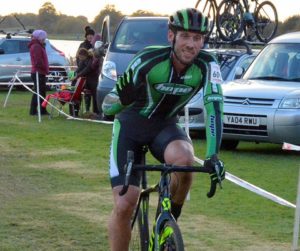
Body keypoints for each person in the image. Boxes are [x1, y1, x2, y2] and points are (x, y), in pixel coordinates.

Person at [102, 8, 225, 251]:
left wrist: (212, 155)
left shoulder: (208, 64)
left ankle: (166, 225)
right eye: (186, 36)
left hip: (165, 126)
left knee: (185, 161)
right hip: (130, 127)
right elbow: (108, 105)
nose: (192, 44)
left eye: (198, 38)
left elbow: (215, 108)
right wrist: (122, 100)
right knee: (125, 204)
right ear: (171, 36)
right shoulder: (149, 59)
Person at [29, 29, 49, 115]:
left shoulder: (39, 45)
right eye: (43, 38)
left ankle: (42, 110)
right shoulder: (36, 46)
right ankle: (33, 111)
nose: (44, 40)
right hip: (38, 72)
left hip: (41, 72)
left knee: (42, 92)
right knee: (38, 93)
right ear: (38, 38)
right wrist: (45, 68)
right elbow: (38, 61)